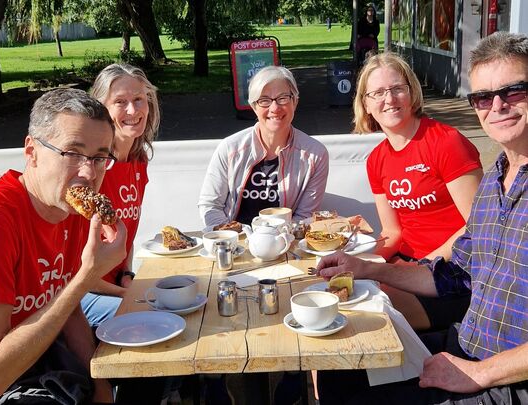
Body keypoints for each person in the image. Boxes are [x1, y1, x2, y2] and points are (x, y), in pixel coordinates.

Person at [315, 31, 528, 404]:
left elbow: (454, 252)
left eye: (514, 91)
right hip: (469, 339)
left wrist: (479, 373)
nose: (497, 106)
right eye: (481, 97)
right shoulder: (498, 179)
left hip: (502, 373)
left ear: (412, 92)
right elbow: (453, 272)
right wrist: (367, 268)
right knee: (339, 375)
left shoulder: (444, 142)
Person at [0, 88, 127, 403]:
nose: (88, 173)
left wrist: (101, 388)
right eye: (73, 153)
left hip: (41, 358)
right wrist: (86, 276)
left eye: (100, 157)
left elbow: (71, 311)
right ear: (32, 151)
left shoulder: (70, 209)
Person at [353, 51, 483, 331]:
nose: (389, 99)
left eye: (397, 88)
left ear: (412, 92)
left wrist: (420, 264)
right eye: (377, 93)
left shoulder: (446, 142)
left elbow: (479, 225)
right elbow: (393, 232)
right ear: (365, 104)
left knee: (364, 316)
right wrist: (359, 259)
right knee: (336, 293)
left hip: (454, 269)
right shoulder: (377, 159)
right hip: (409, 266)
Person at [198, 65, 329, 230]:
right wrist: (232, 236)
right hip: (234, 244)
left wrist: (273, 242)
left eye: (283, 98)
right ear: (254, 107)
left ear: (295, 101)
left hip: (285, 242)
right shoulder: (230, 149)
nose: (274, 108)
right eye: (264, 100)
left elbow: (305, 217)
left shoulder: (315, 155)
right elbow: (210, 206)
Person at [82, 63, 159, 329]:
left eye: (139, 99)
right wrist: (127, 294)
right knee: (155, 318)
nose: (132, 111)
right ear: (101, 108)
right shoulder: (92, 167)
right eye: (120, 102)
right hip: (83, 293)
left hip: (115, 284)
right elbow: (75, 269)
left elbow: (126, 235)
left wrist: (127, 274)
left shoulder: (137, 160)